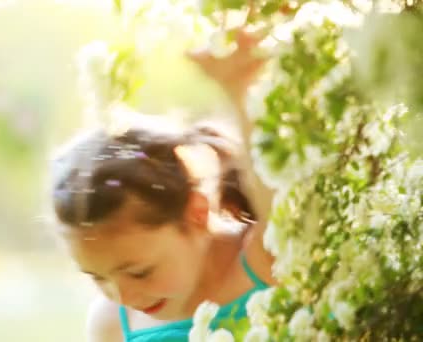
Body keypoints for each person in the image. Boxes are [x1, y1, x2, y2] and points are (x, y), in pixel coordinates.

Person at [50, 29, 277, 342]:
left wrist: (240, 89)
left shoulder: (261, 263)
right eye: (97, 278)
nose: (123, 295)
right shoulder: (113, 326)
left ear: (197, 212)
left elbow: (276, 199)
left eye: (140, 272)